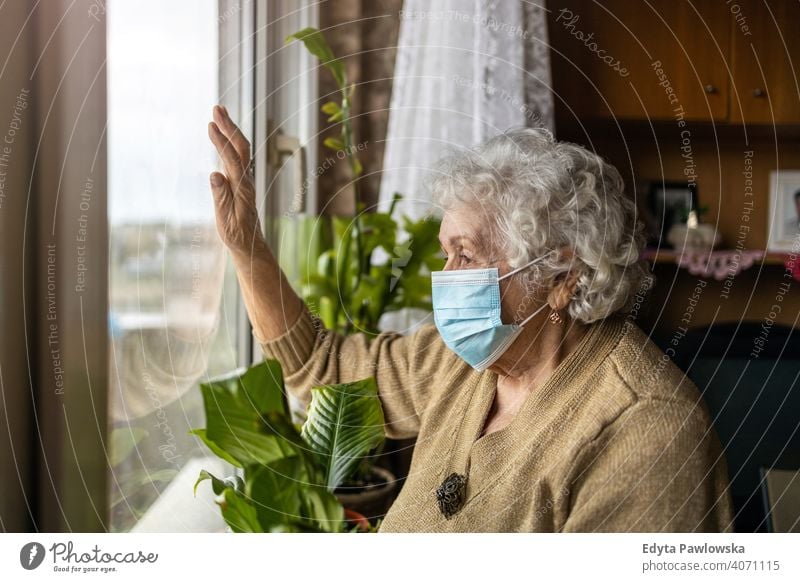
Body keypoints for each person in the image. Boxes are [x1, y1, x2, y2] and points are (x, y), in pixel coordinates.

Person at [207, 105, 734, 532]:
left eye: (467, 254)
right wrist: (248, 249)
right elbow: (324, 368)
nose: (448, 276)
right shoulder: (459, 360)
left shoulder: (646, 430)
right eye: (446, 253)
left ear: (561, 275)